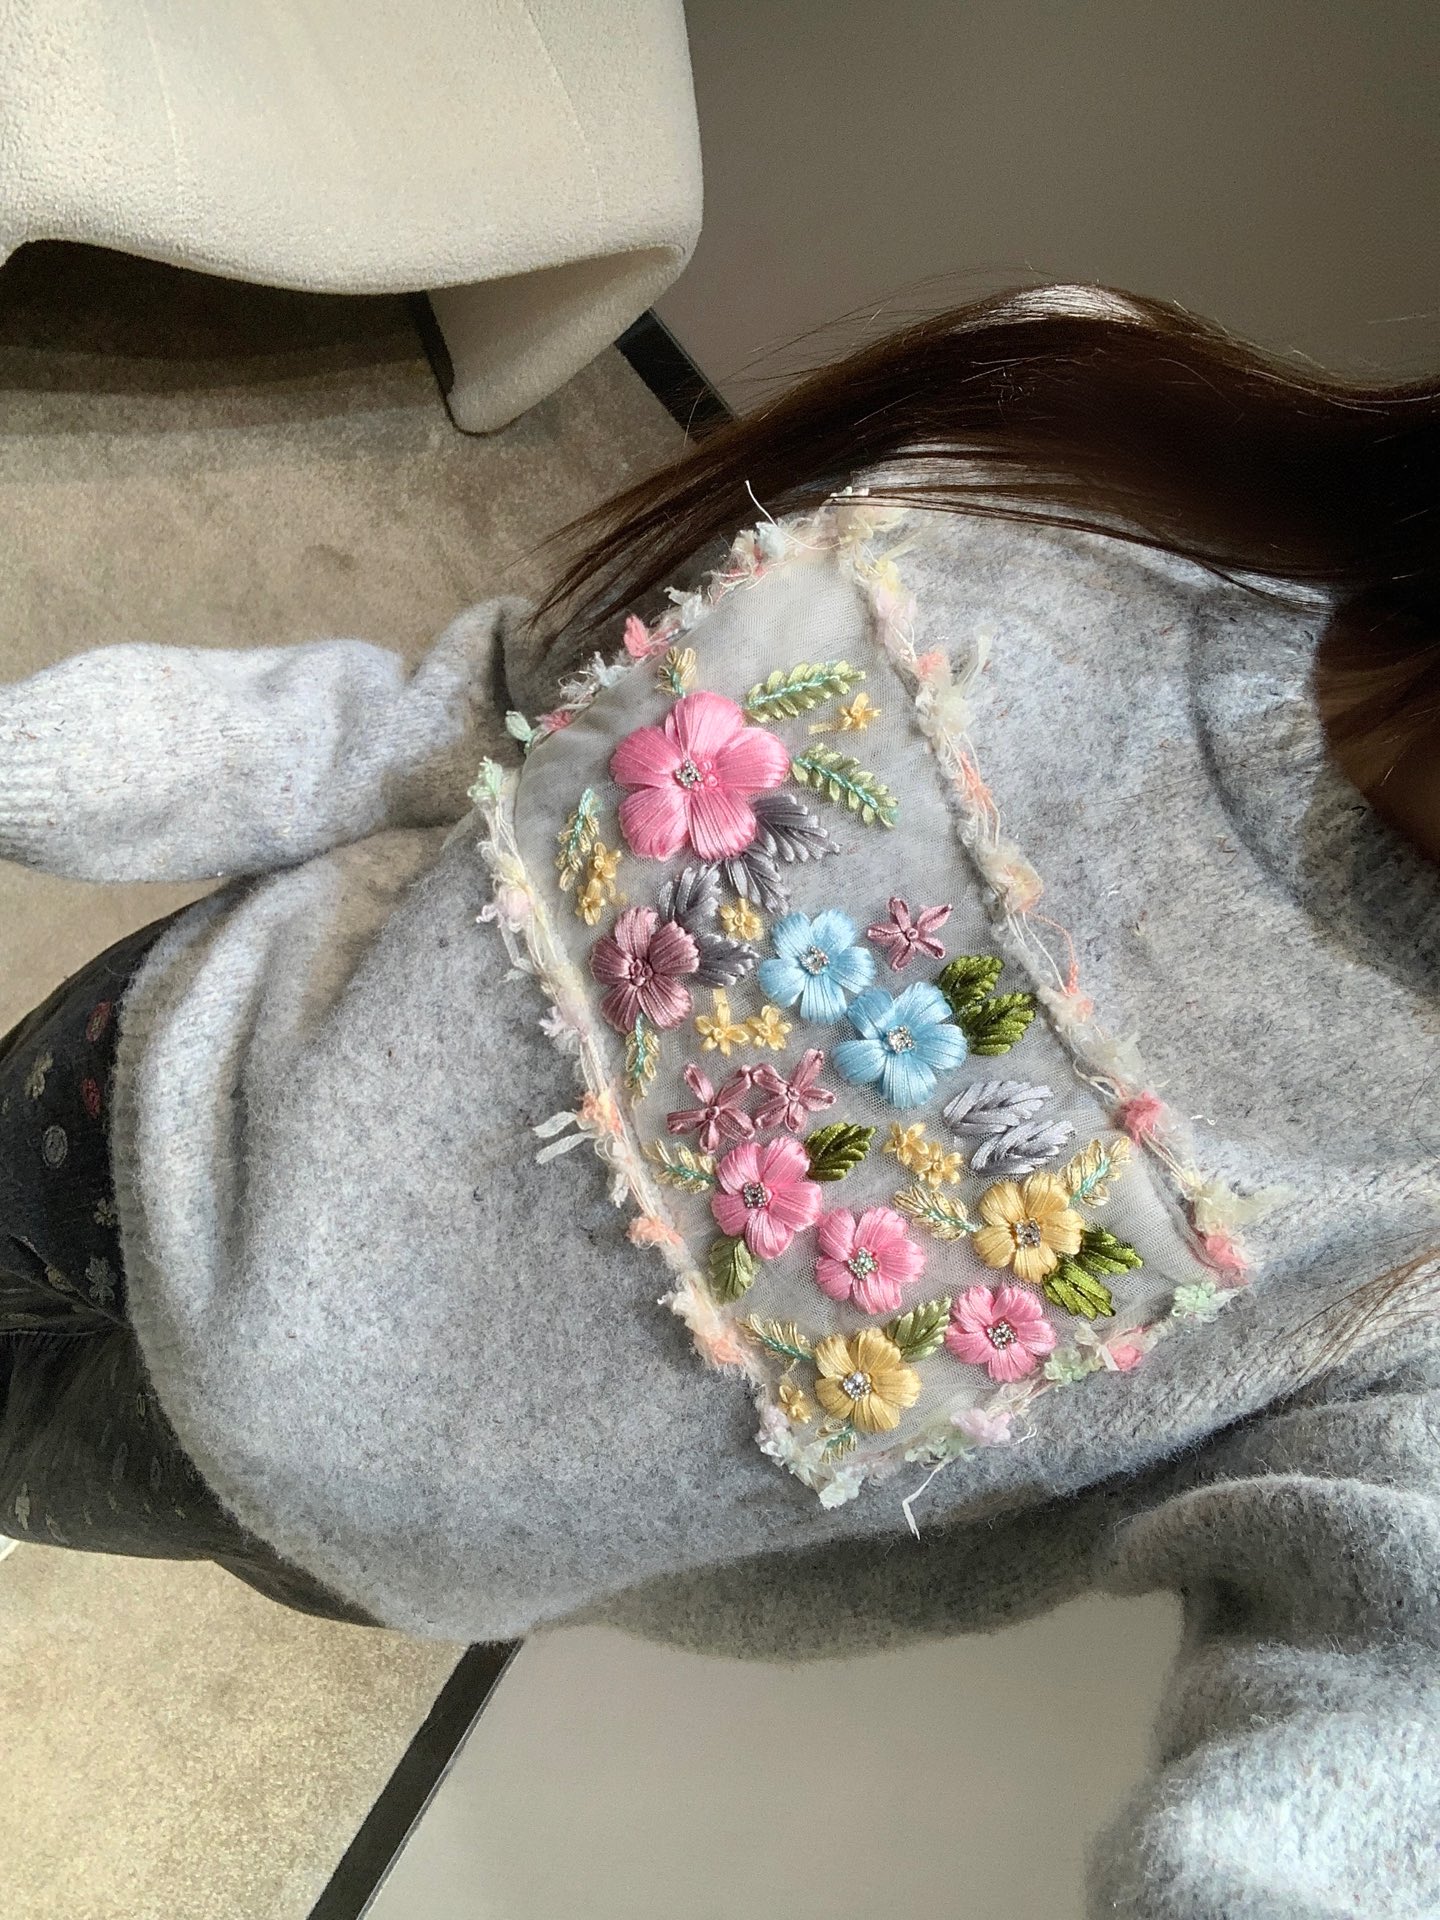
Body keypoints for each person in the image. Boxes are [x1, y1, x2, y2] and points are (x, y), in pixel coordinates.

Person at [1, 281, 1436, 1913]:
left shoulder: (1409, 1282)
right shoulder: (1066, 441)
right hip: (137, 1091)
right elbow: (486, 703)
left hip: (274, 1504)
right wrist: (48, 757)